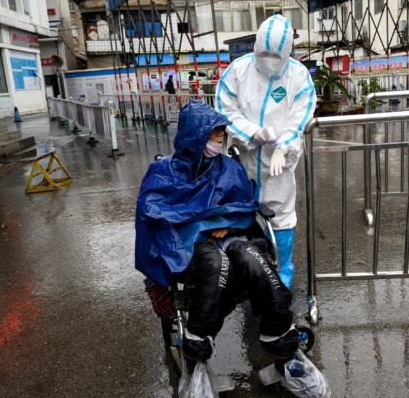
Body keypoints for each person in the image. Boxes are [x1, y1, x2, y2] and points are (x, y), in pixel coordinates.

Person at [135, 100, 328, 397]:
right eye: (214, 135)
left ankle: (286, 354)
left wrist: (231, 223)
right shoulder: (164, 172)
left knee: (255, 263)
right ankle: (197, 359)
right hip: (194, 245)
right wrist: (200, 226)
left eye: (222, 134)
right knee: (216, 266)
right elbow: (155, 213)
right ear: (195, 136)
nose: (220, 140)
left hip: (234, 237)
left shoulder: (229, 168)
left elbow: (245, 206)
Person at [215, 14, 316, 288]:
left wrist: (284, 147)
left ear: (287, 53)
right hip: (242, 157)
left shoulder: (299, 77)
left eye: (275, 55)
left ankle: (282, 270)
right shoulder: (237, 71)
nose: (269, 59)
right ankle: (245, 271)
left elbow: (301, 118)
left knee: (280, 214)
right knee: (239, 211)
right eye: (263, 52)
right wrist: (251, 132)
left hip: (277, 163)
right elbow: (226, 110)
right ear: (255, 46)